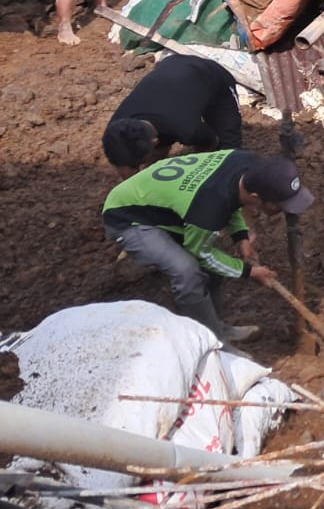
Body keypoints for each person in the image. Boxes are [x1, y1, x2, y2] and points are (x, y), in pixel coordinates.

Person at [102, 149, 312, 341]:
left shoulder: (245, 163)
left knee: (213, 267)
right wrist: (249, 272)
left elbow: (231, 197)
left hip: (163, 202)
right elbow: (201, 253)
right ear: (257, 197)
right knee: (187, 271)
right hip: (127, 217)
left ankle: (215, 330)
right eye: (280, 206)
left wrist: (241, 238)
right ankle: (208, 344)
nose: (284, 211)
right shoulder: (208, 208)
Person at [102, 55, 243, 176]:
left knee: (228, 156)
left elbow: (210, 146)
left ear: (155, 142)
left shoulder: (188, 128)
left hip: (212, 77)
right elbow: (124, 165)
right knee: (149, 156)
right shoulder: (116, 131)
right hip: (171, 70)